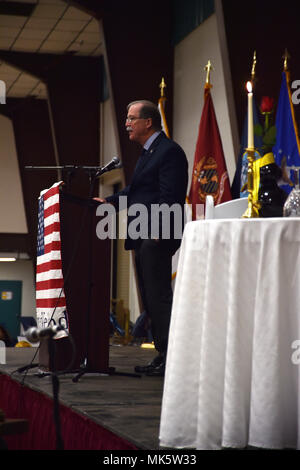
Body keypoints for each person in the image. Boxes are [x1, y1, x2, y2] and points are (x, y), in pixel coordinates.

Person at [95, 100, 188, 376]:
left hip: (157, 234)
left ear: (148, 122)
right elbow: (137, 191)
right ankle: (163, 353)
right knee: (150, 298)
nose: (126, 124)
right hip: (144, 234)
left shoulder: (168, 151)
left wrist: (159, 230)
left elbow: (170, 194)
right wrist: (110, 202)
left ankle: (172, 356)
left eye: (131, 118)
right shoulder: (149, 153)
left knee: (159, 297)